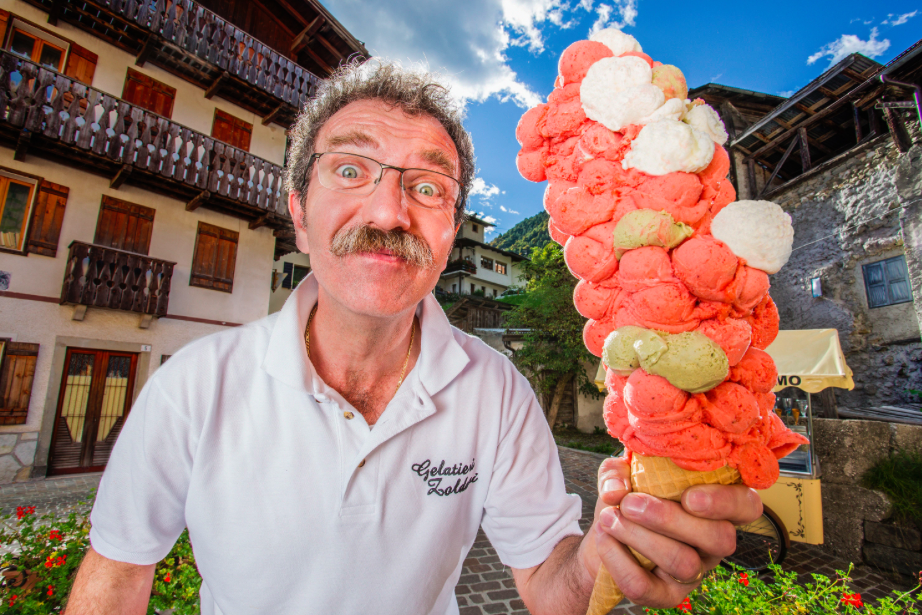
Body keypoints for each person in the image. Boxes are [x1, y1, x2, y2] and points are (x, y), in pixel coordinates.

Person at [65, 61, 762, 615]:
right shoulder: (193, 385)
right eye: (349, 169)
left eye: (428, 186)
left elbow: (552, 587)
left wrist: (606, 548)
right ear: (298, 215)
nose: (389, 210)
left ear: (450, 230)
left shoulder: (498, 394)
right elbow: (119, 570)